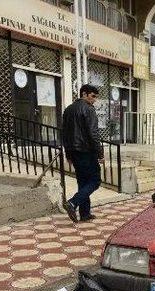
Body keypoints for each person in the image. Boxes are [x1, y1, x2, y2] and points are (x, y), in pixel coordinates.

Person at [62, 84, 103, 223]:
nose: (94, 100)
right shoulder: (88, 109)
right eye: (93, 96)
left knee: (83, 182)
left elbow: (65, 134)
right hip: (86, 151)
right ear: (84, 94)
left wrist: (68, 153)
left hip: (74, 151)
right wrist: (100, 153)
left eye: (96, 97)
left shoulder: (68, 110)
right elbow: (93, 133)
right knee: (95, 181)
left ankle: (85, 213)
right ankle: (73, 203)